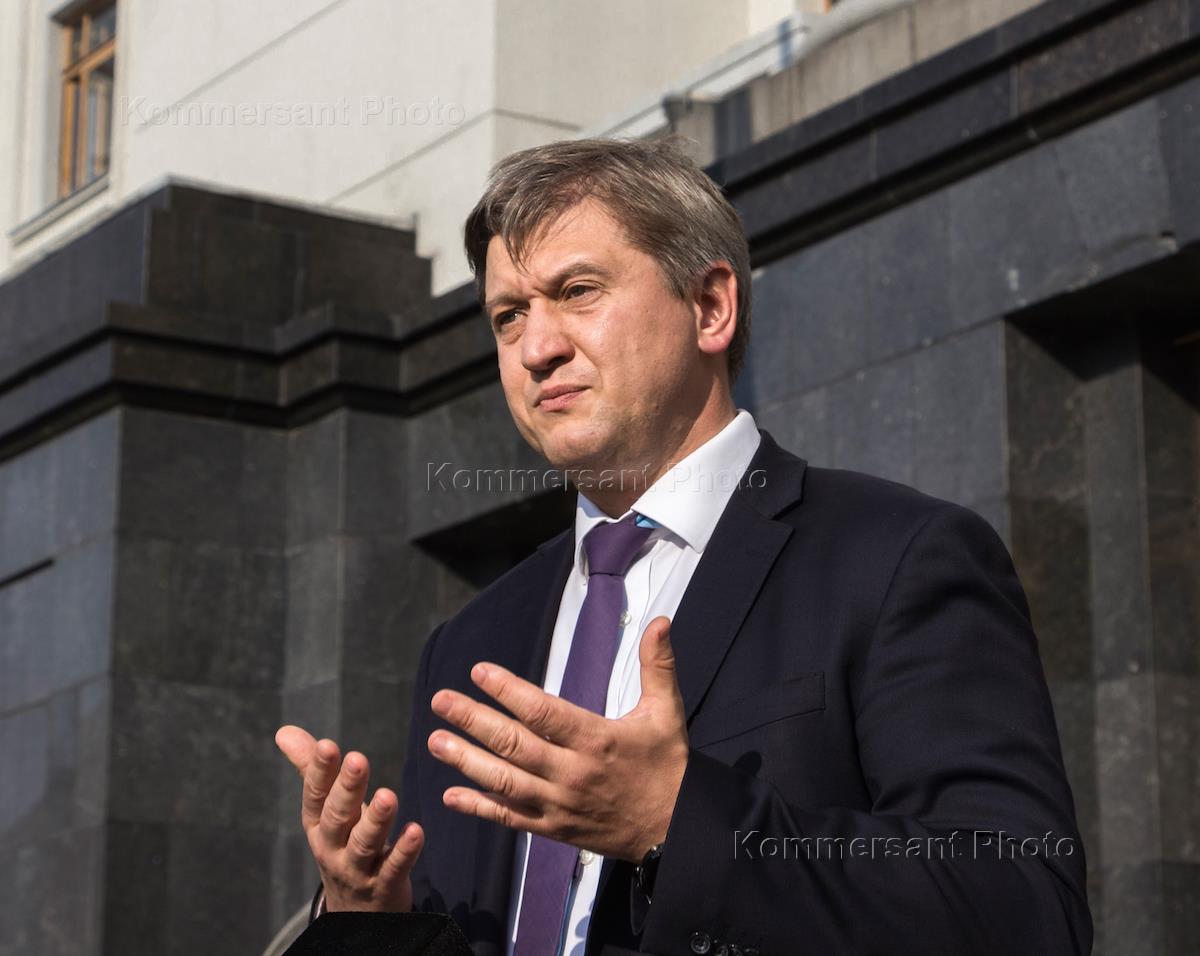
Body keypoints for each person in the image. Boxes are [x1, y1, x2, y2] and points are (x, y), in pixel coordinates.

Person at [276, 138, 1093, 955]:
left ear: (710, 307)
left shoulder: (897, 558)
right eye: (508, 316)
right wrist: (371, 922)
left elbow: (1024, 906)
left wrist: (676, 821)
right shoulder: (471, 643)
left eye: (577, 291)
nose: (535, 348)